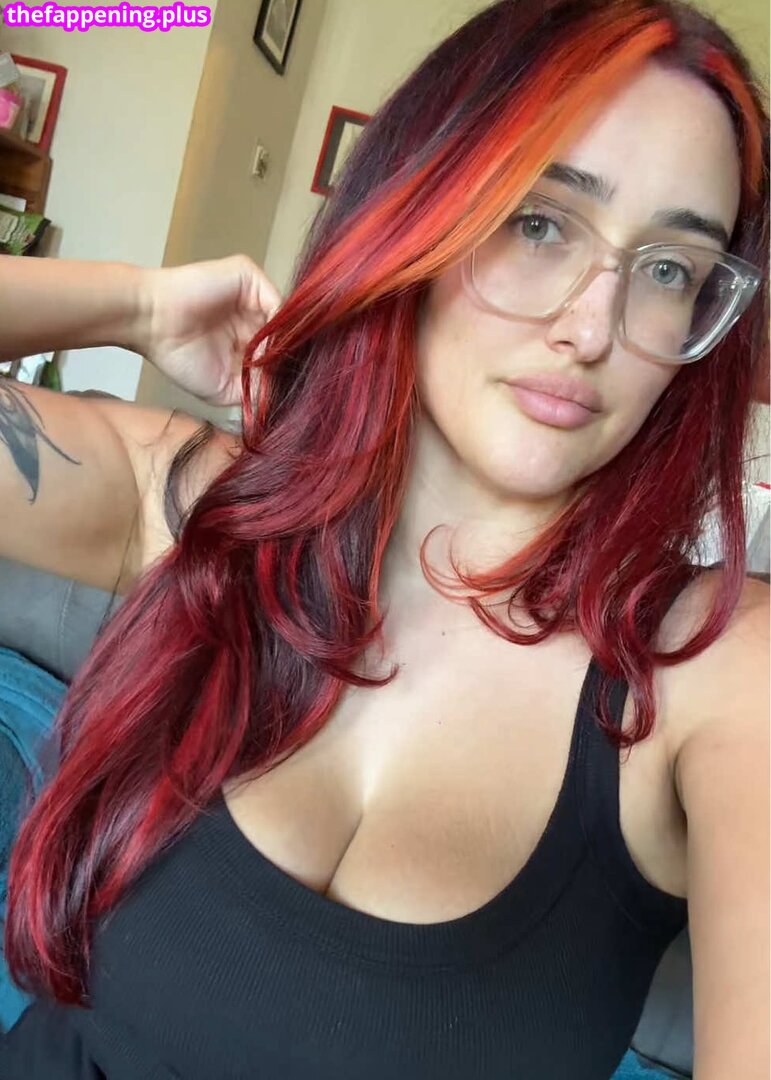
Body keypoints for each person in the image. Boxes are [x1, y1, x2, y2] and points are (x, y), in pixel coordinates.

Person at [0, 0, 768, 1075]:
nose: (592, 328)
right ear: (421, 207)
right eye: (539, 221)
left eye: (670, 269)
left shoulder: (716, 670)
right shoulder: (198, 504)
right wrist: (135, 306)